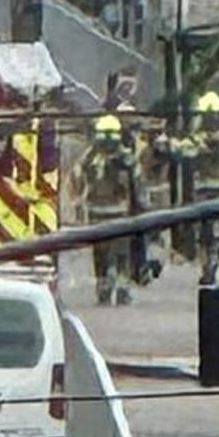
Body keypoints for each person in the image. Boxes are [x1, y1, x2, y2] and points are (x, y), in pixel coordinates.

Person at [170, 89, 219, 286]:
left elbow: (182, 150)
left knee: (208, 232)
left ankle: (210, 269)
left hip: (205, 191)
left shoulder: (199, 139)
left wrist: (167, 144)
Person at [81, 112, 136, 305]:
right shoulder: (92, 157)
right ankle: (107, 287)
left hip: (117, 211)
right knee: (104, 253)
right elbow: (82, 178)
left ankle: (119, 288)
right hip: (102, 211)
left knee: (117, 253)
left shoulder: (122, 158)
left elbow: (133, 182)